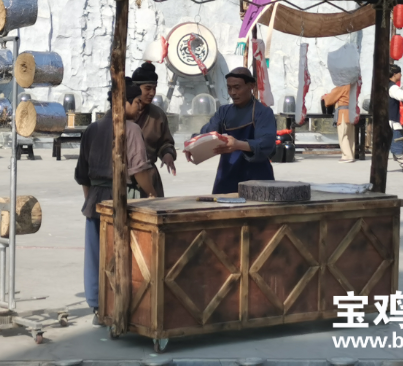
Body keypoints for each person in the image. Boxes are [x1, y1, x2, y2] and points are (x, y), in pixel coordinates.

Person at [75, 80, 157, 323]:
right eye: (137, 102)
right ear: (124, 103)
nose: (140, 107)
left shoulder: (92, 129)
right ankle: (125, 306)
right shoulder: (131, 129)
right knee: (128, 256)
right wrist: (152, 194)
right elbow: (139, 171)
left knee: (96, 256)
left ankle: (97, 305)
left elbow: (83, 175)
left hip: (95, 201)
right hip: (125, 200)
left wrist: (92, 201)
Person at [186, 67, 276, 194]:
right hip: (227, 175)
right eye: (229, 88)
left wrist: (238, 144)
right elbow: (207, 133)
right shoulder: (223, 112)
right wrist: (193, 144)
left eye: (237, 87)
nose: (233, 92)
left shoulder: (263, 112)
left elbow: (267, 144)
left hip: (257, 177)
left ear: (251, 86)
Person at [131, 62, 177, 196]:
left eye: (154, 88)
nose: (152, 93)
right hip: (124, 177)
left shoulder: (158, 115)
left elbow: (165, 143)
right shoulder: (120, 113)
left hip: (149, 175)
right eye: (148, 88)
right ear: (136, 89)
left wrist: (167, 154)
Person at [322, 84, 355, 163]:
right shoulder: (353, 85)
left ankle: (347, 156)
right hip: (352, 112)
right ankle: (351, 154)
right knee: (350, 135)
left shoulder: (342, 86)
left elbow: (330, 99)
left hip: (343, 112)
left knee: (343, 135)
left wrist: (324, 97)